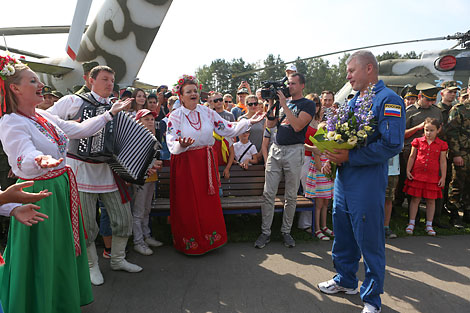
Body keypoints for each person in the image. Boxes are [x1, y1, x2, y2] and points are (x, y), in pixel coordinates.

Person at [0, 57, 130, 313]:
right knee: (44, 253)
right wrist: (39, 159)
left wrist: (109, 114)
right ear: (15, 88)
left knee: (60, 250)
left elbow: (75, 129)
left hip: (60, 187)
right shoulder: (11, 122)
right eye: (33, 81)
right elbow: (22, 157)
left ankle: (60, 299)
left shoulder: (42, 116)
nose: (41, 85)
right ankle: (40, 303)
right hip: (39, 193)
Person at [317, 50, 405, 313]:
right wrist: (332, 158)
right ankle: (346, 280)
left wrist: (350, 157)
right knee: (342, 232)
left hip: (366, 182)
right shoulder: (353, 100)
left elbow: (392, 144)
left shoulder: (388, 100)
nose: (347, 76)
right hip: (344, 180)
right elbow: (342, 135)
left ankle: (372, 299)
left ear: (369, 69)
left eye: (351, 71)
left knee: (370, 240)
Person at [47, 65, 141, 287]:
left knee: (123, 218)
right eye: (105, 79)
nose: (110, 84)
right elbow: (47, 120)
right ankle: (91, 265)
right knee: (86, 223)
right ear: (90, 80)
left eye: (112, 80)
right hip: (81, 170)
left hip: (109, 171)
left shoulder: (115, 106)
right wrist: (71, 127)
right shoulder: (74, 101)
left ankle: (118, 259)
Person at [166, 74, 264, 255]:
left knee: (206, 200)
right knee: (188, 202)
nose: (193, 93)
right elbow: (171, 139)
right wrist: (182, 144)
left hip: (204, 162)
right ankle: (191, 243)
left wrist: (248, 121)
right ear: (181, 96)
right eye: (189, 91)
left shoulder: (206, 112)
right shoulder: (176, 115)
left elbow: (226, 127)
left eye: (195, 90)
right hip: (185, 163)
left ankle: (209, 241)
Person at [254, 72, 315, 249]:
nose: (289, 87)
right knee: (268, 193)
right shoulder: (281, 103)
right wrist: (272, 104)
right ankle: (265, 232)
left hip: (295, 151)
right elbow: (271, 125)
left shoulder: (308, 104)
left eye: (293, 84)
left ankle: (286, 232)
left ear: (302, 85)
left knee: (291, 195)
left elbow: (297, 126)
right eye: (288, 84)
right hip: (276, 150)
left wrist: (284, 105)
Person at [403, 117, 447, 236]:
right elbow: (412, 156)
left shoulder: (442, 144)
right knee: (415, 199)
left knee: (431, 201)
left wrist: (443, 177)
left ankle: (429, 224)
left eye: (432, 130)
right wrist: (408, 170)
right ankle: (411, 223)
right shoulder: (417, 141)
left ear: (438, 130)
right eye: (426, 130)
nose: (428, 133)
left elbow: (443, 161)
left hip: (432, 177)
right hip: (417, 175)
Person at [131, 109, 163, 255]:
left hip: (151, 178)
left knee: (146, 209)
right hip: (140, 179)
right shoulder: (135, 137)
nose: (150, 121)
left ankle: (146, 236)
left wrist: (157, 164)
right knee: (138, 212)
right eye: (146, 119)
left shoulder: (153, 137)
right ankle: (138, 241)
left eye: (151, 119)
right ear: (138, 122)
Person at [446, 78, 470, 225]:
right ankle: (454, 214)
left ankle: (467, 212)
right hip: (462, 153)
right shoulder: (459, 109)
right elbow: (451, 133)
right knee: (457, 184)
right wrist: (456, 154)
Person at [297, 93, 322, 234]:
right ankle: (305, 223)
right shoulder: (302, 121)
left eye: (317, 104)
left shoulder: (318, 122)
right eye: (313, 103)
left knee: (314, 191)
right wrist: (313, 149)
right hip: (304, 159)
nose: (315, 106)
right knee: (308, 191)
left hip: (316, 160)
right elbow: (297, 141)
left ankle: (312, 222)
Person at [384, 154, 399, 239]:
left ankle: (385, 227)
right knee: (372, 200)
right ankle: (371, 226)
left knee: (388, 200)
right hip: (373, 169)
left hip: (392, 171)